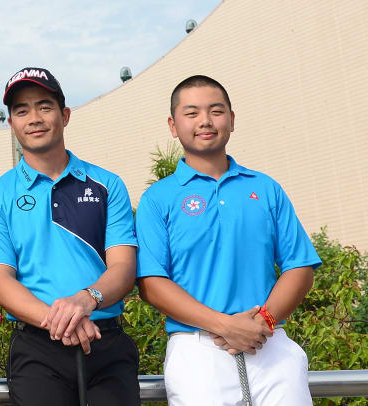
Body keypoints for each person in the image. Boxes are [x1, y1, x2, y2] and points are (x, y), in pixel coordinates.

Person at [135, 75, 321, 406]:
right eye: (191, 113)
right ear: (173, 125)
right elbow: (151, 283)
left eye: (216, 111)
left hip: (269, 341)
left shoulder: (265, 188)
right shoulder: (157, 198)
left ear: (232, 120)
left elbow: (300, 266)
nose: (205, 121)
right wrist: (225, 325)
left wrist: (262, 322)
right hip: (197, 348)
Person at [0, 66, 140, 405]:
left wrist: (86, 300)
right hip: (36, 349)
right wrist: (62, 321)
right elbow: (0, 281)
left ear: (65, 115)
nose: (33, 117)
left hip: (105, 341)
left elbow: (123, 268)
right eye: (21, 110)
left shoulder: (107, 185)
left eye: (44, 106)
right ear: (11, 124)